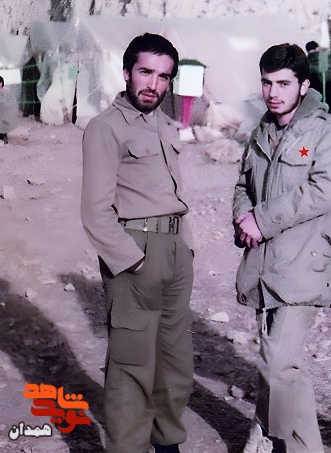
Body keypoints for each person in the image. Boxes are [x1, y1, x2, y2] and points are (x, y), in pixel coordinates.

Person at [81, 33, 194, 453]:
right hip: (135, 252)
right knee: (132, 364)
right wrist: (132, 260)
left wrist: (186, 250)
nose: (153, 84)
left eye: (164, 77)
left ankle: (167, 444)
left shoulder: (165, 124)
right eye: (145, 72)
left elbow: (173, 194)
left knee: (174, 361)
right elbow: (95, 211)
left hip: (175, 251)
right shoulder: (105, 128)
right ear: (127, 72)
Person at [233, 43, 331, 453]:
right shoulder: (262, 130)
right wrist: (243, 218)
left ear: (303, 85)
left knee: (280, 364)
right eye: (267, 83)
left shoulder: (323, 131)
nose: (273, 92)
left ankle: (291, 444)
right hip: (265, 264)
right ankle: (271, 436)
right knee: (277, 361)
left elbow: (326, 190)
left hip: (304, 263)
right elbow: (243, 184)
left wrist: (262, 220)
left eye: (283, 83)